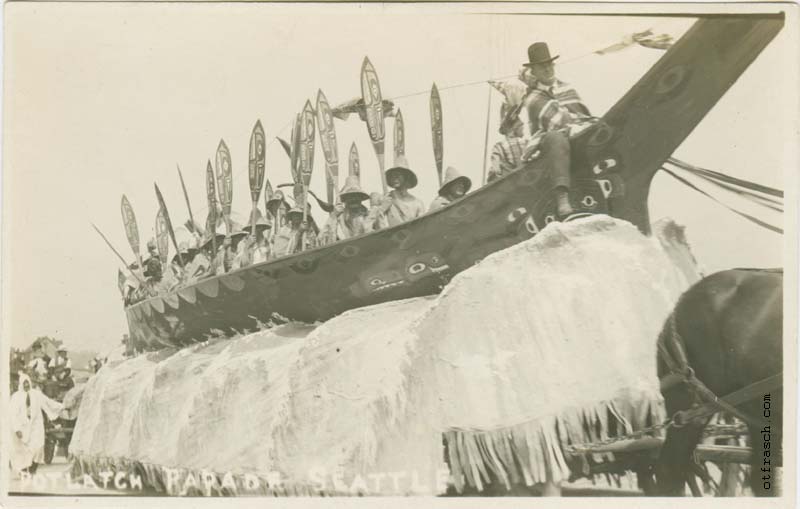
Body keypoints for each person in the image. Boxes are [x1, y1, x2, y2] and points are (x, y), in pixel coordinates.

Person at [519, 42, 592, 217]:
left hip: (577, 132)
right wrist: (573, 126)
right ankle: (562, 198)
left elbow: (583, 114)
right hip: (549, 145)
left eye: (549, 64)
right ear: (534, 71)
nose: (547, 69)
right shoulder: (532, 98)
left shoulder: (567, 88)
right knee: (555, 138)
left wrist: (583, 125)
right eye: (541, 66)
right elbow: (554, 122)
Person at [9, 374, 63, 475]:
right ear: (21, 384)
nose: (26, 386)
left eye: (27, 383)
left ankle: (33, 469)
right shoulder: (16, 397)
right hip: (22, 428)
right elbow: (12, 415)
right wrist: (17, 429)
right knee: (23, 451)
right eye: (24, 384)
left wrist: (62, 406)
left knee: (38, 448)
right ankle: (24, 470)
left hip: (36, 427)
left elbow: (48, 403)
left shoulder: (37, 394)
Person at [377, 155, 425, 227]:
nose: (395, 178)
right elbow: (376, 225)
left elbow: (422, 226)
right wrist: (382, 209)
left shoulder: (417, 203)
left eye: (398, 175)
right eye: (393, 175)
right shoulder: (387, 199)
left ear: (406, 177)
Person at [321, 176, 370, 243]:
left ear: (361, 198)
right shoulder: (339, 217)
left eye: (356, 195)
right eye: (350, 196)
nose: (353, 199)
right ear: (345, 199)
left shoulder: (369, 215)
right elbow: (322, 240)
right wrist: (334, 217)